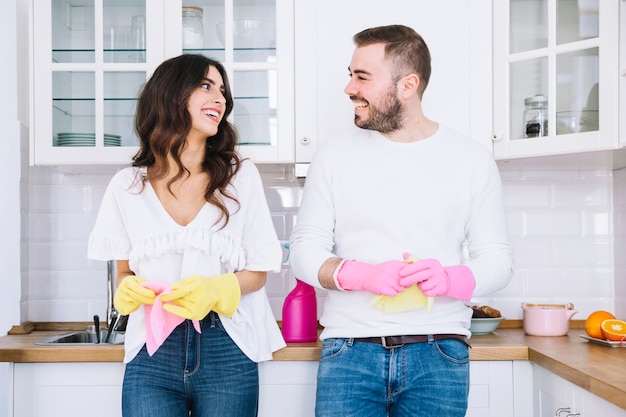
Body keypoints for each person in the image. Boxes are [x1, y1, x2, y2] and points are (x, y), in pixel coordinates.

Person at [289, 25, 513, 417]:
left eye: (362, 77)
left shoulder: (471, 159)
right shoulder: (334, 156)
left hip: (440, 353)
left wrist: (450, 279)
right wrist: (360, 275)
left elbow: (498, 260)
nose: (348, 88)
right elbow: (304, 252)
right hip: (349, 352)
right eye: (350, 74)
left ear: (407, 85)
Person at [88, 54, 285, 417]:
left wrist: (215, 290)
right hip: (152, 349)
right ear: (171, 95)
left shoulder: (240, 177)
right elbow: (123, 274)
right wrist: (127, 291)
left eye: (222, 90)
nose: (220, 99)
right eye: (206, 86)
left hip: (227, 344)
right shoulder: (126, 187)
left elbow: (258, 271)